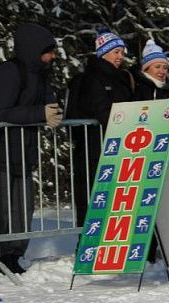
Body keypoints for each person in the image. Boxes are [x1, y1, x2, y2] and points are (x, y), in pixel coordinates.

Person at [0, 23, 61, 274]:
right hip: (0, 151)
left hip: (24, 152)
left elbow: (51, 103)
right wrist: (39, 113)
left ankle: (16, 253)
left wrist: (55, 112)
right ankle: (3, 255)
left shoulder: (40, 74)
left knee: (22, 207)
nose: (52, 57)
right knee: (2, 207)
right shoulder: (9, 72)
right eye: (48, 51)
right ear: (34, 49)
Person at [66, 28, 135, 228]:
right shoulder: (91, 78)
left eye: (122, 53)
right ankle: (89, 245)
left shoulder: (121, 77)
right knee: (92, 199)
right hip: (94, 148)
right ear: (103, 52)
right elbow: (100, 110)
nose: (120, 57)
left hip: (116, 146)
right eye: (116, 52)